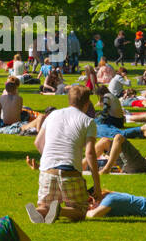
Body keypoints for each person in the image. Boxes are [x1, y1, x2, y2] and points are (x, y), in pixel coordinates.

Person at [26, 85, 101, 223]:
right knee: (81, 211)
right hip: (70, 172)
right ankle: (60, 210)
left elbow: (37, 142)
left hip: (48, 171)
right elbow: (90, 153)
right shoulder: (88, 121)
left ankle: (41, 211)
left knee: (44, 204)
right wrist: (97, 184)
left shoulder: (53, 115)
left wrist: (48, 160)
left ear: (69, 100)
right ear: (87, 104)